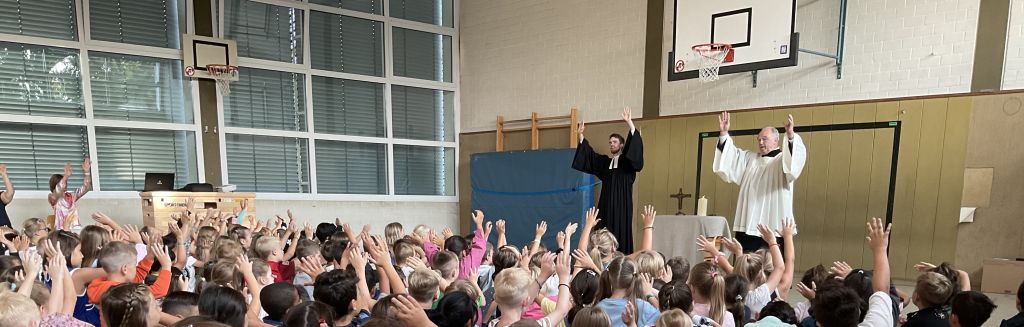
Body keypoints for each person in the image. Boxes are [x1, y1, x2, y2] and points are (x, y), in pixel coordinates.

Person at [713, 112, 806, 250]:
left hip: (773, 224)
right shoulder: (750, 159)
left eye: (765, 139)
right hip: (748, 222)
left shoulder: (782, 160)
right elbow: (729, 157)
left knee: (771, 265)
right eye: (759, 139)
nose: (761, 142)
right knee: (746, 263)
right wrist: (724, 134)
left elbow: (794, 162)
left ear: (776, 140)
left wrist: (791, 136)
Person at [572, 107, 645, 253]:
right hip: (606, 204)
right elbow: (591, 156)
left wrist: (630, 123)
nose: (611, 144)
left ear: (622, 145)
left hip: (622, 204)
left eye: (615, 142)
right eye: (610, 142)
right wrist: (581, 137)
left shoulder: (626, 163)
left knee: (620, 229)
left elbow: (635, 149)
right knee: (604, 228)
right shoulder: (606, 163)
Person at [48, 159, 92, 231]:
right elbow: (59, 189)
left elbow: (86, 187)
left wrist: (87, 172)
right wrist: (65, 176)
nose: (65, 184)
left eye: (65, 182)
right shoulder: (52, 198)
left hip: (76, 230)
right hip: (62, 232)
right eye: (63, 182)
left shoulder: (71, 196)